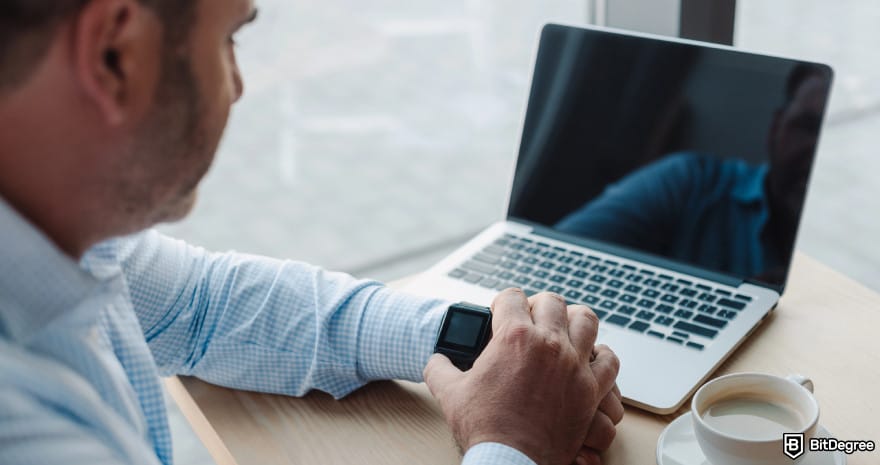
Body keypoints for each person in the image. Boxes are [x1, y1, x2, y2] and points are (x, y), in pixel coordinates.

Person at [0, 2, 622, 465]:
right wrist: (515, 444)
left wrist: (492, 349)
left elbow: (203, 307)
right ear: (116, 57)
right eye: (229, 40)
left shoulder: (63, 234)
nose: (239, 86)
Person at [555, 64, 831, 284]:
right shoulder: (690, 181)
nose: (817, 150)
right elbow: (559, 254)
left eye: (833, 134)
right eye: (807, 127)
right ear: (776, 129)